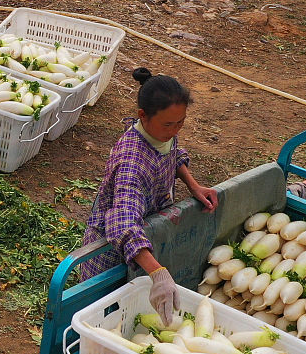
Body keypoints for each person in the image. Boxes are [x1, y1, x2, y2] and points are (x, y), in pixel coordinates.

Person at [79, 68, 219, 323]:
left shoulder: (160, 133)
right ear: (143, 116)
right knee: (106, 314)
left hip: (145, 237)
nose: (175, 130)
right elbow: (123, 224)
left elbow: (172, 154)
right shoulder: (132, 162)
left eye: (181, 122)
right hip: (112, 251)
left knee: (136, 307)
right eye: (169, 124)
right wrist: (159, 273)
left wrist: (193, 186)